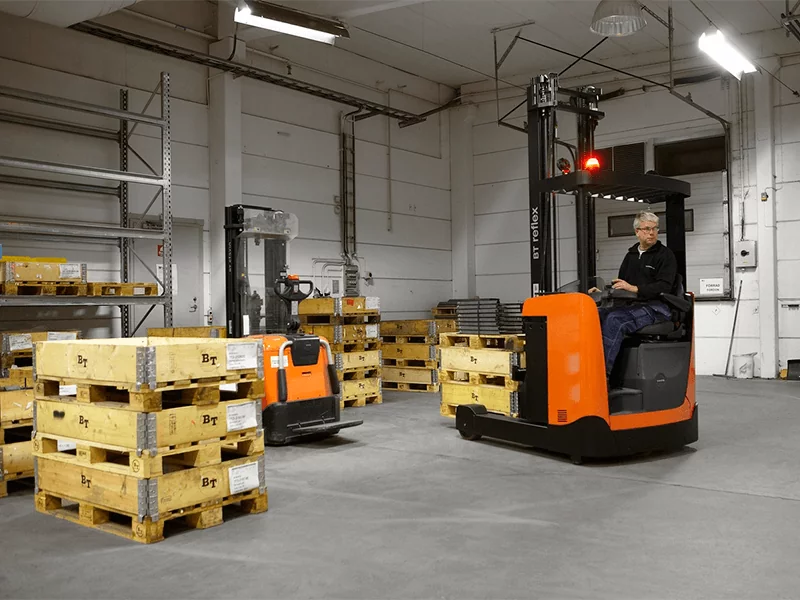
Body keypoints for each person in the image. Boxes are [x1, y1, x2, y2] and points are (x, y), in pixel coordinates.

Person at [590, 211, 677, 379]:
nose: (651, 233)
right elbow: (623, 284)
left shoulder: (665, 255)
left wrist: (635, 288)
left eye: (655, 228)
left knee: (615, 320)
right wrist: (604, 292)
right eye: (647, 229)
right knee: (594, 315)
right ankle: (589, 366)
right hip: (631, 306)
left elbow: (664, 286)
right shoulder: (630, 256)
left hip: (656, 307)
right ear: (637, 231)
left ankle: (602, 377)